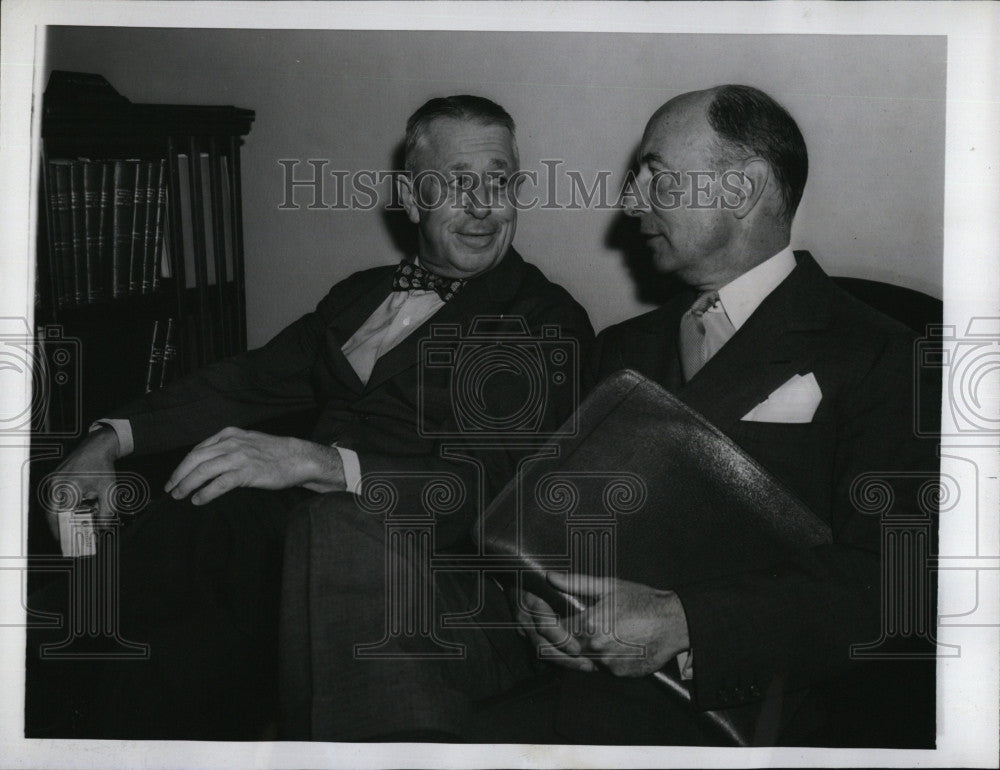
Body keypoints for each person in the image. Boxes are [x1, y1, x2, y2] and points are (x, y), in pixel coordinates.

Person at [26, 94, 593, 740]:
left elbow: (494, 492)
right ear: (411, 200)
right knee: (155, 664)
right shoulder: (357, 297)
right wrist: (106, 439)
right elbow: (245, 382)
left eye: (499, 182)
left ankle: (43, 628)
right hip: (280, 561)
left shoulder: (541, 319)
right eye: (458, 183)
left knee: (210, 525)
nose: (483, 206)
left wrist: (323, 465)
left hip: (418, 579)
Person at [512, 85, 939, 746]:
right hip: (584, 704)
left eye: (655, 176)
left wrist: (684, 623)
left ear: (741, 191)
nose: (629, 203)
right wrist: (541, 601)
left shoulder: (887, 354)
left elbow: (896, 580)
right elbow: (562, 524)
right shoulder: (619, 349)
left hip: (769, 713)